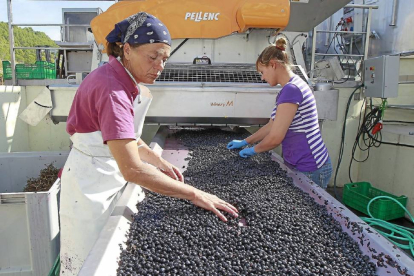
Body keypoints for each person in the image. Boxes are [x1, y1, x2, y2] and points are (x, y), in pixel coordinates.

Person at [60, 12, 238, 276]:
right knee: (88, 263)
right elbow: (131, 169)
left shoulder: (120, 79)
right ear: (128, 50)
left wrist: (158, 160)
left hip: (105, 171)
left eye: (164, 59)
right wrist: (194, 194)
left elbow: (124, 136)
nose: (159, 66)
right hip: (91, 187)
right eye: (153, 57)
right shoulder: (113, 90)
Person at [227, 37, 333, 189]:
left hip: (310, 167)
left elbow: (276, 137)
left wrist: (253, 150)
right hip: (301, 162)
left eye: (262, 72)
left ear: (273, 65)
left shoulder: (291, 90)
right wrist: (246, 142)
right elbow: (272, 125)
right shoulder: (291, 86)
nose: (262, 77)